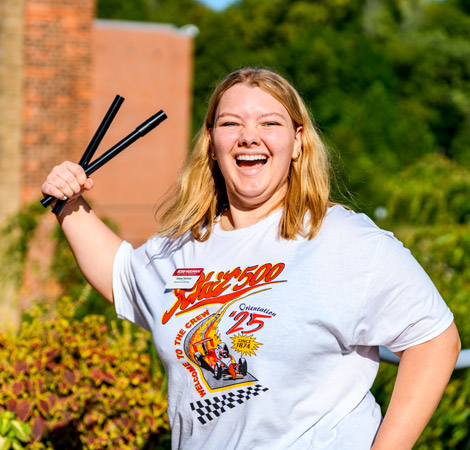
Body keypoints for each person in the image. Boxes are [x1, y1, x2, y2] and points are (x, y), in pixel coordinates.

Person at [42, 67, 461, 450]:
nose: (249, 137)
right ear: (212, 143)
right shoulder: (183, 246)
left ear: (297, 142)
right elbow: (121, 275)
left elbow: (435, 340)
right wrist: (68, 203)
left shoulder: (344, 240)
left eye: (269, 123)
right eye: (231, 124)